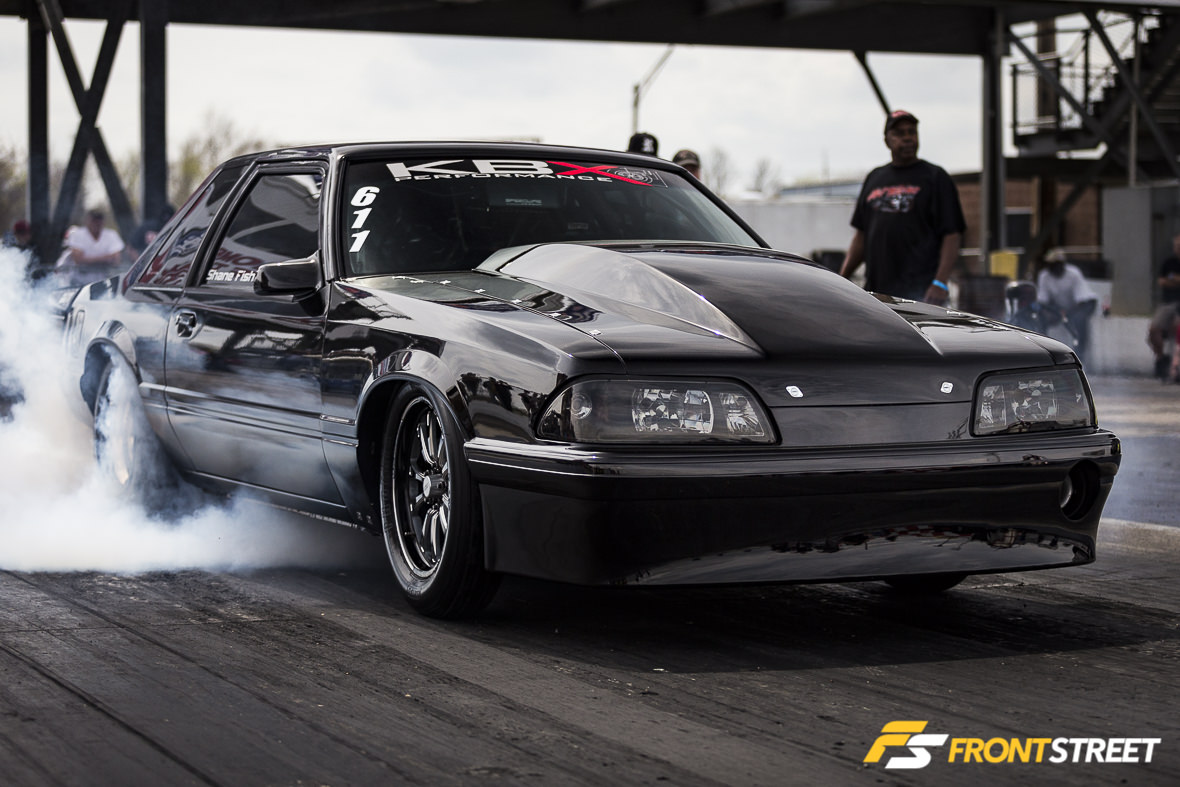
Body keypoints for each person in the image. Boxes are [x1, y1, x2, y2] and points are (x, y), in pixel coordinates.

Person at [839, 109, 966, 305]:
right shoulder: (875, 178)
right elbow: (861, 235)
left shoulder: (935, 177)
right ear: (887, 141)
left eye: (911, 132)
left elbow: (952, 235)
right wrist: (842, 278)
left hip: (921, 295)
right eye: (899, 133)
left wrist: (940, 282)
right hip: (877, 294)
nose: (907, 138)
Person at [1036, 248, 1100, 364]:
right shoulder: (1044, 276)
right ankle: (1044, 353)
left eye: (1056, 264)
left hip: (1084, 304)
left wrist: (1067, 313)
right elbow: (1043, 300)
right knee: (1040, 318)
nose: (1053, 268)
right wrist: (1051, 312)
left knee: (1078, 319)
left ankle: (1080, 355)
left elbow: (1081, 300)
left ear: (1062, 264)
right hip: (1061, 308)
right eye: (1050, 265)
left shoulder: (1073, 274)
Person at [58, 209, 126, 287]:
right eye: (94, 220)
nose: (96, 223)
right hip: (78, 282)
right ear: (87, 221)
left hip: (102, 282)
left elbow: (116, 260)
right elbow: (78, 260)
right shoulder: (77, 234)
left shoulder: (111, 234)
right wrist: (106, 258)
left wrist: (88, 259)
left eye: (99, 220)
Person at [1147, 233, 1180, 379]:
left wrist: (1172, 279)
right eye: (1176, 246)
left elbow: (1168, 280)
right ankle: (1161, 359)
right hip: (1168, 303)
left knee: (1176, 329)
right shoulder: (1169, 263)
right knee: (1154, 330)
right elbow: (1162, 281)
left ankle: (1175, 366)